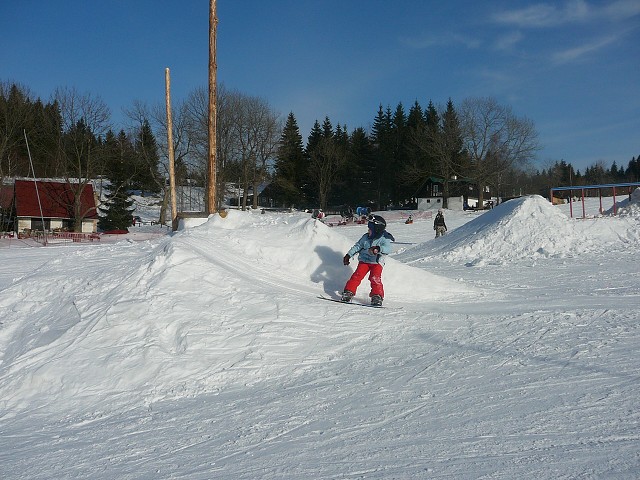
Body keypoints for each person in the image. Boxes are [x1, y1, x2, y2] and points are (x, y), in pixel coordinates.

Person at [341, 215, 391, 306]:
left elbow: (388, 249)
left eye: (370, 229)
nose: (368, 231)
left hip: (377, 263)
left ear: (376, 230)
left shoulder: (384, 239)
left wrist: (378, 249)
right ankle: (348, 292)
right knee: (356, 276)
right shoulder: (365, 237)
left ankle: (377, 296)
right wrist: (348, 255)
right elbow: (358, 246)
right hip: (364, 261)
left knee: (375, 278)